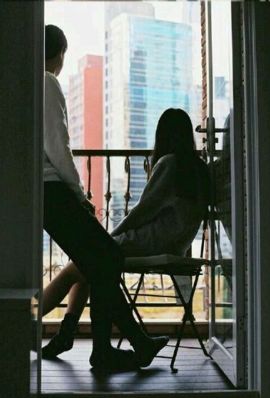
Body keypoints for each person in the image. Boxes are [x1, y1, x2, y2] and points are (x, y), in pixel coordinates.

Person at [40, 24, 169, 371]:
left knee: (99, 261)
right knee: (107, 257)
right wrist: (78, 193)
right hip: (52, 190)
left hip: (42, 193)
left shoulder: (27, 86)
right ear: (60, 54)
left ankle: (111, 347)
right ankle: (111, 349)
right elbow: (58, 146)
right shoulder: (47, 82)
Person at [41, 107, 210, 360]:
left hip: (152, 241)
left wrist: (109, 237)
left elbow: (143, 211)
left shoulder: (169, 164)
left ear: (162, 135)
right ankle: (67, 334)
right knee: (88, 261)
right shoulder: (199, 168)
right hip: (175, 244)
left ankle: (29, 323)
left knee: (83, 262)